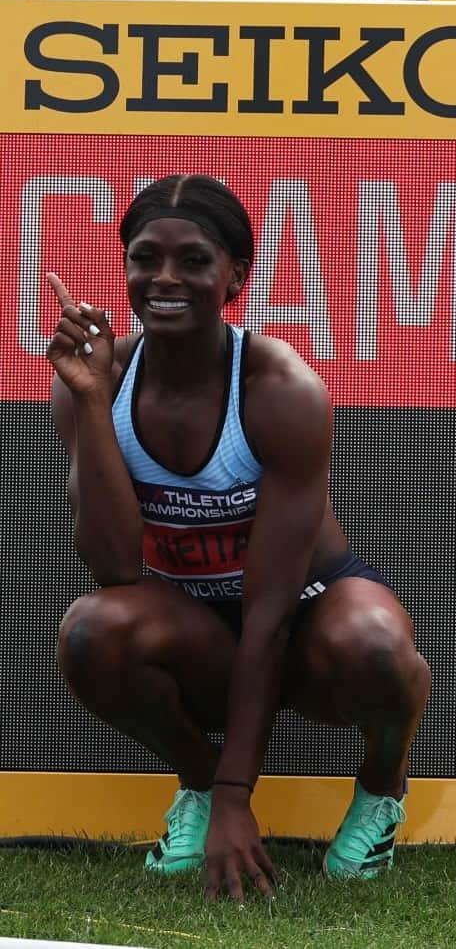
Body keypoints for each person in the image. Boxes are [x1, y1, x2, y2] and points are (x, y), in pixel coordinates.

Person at [46, 173, 431, 900]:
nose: (165, 278)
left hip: (303, 614)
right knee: (90, 632)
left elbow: (270, 612)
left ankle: (383, 787)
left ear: (234, 278)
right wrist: (94, 406)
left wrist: (239, 796)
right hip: (198, 629)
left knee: (377, 646)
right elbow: (112, 564)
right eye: (144, 257)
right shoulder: (93, 380)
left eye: (193, 261)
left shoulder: (281, 389)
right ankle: (191, 779)